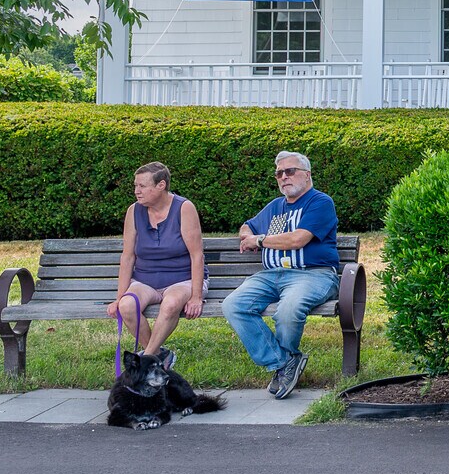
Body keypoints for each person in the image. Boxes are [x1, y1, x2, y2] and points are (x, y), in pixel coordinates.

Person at [222, 150, 340, 398]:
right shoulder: (275, 207)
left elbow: (298, 239)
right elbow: (248, 226)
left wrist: (261, 240)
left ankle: (284, 364)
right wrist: (247, 236)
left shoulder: (320, 202)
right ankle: (283, 362)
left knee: (288, 309)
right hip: (271, 275)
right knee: (234, 305)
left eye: (290, 171)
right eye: (279, 173)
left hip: (312, 274)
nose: (283, 177)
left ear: (307, 175)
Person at [104, 162, 205, 369]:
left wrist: (196, 296)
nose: (136, 191)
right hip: (144, 280)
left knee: (169, 305)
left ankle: (145, 362)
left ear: (161, 185)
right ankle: (159, 357)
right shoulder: (134, 211)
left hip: (181, 279)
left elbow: (197, 255)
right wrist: (118, 298)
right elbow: (128, 257)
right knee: (126, 306)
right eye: (135, 186)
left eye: (142, 186)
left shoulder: (184, 208)